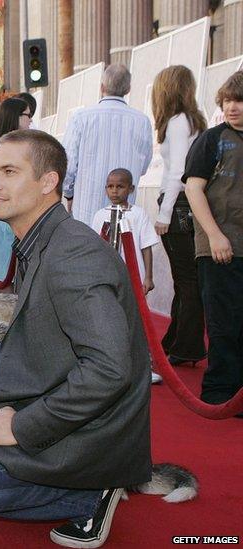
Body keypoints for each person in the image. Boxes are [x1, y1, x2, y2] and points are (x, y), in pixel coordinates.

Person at [0, 130, 152, 549]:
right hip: (57, 388)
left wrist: (22, 425)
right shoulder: (41, 240)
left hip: (91, 432)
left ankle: (85, 491)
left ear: (48, 182)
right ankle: (5, 454)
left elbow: (110, 370)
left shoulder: (73, 255)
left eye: (10, 172)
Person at [182, 70, 243, 406]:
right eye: (227, 100)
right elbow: (193, 188)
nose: (232, 107)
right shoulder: (211, 139)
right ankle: (222, 393)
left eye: (239, 100)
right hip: (219, 247)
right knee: (224, 323)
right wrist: (215, 235)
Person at [151, 65, 208, 366]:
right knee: (188, 279)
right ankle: (177, 342)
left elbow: (177, 172)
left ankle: (185, 346)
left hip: (178, 206)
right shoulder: (196, 120)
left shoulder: (176, 122)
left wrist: (163, 213)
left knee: (186, 280)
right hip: (190, 204)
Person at [63, 64, 153, 226]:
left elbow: (68, 164)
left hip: (86, 208)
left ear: (102, 87)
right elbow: (144, 167)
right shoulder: (142, 121)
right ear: (128, 89)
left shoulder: (82, 118)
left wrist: (69, 194)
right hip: (125, 211)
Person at [89, 168, 160, 296]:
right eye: (110, 186)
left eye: (120, 186)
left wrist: (148, 277)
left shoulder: (138, 214)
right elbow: (95, 247)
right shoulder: (100, 215)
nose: (114, 191)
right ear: (106, 189)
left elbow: (146, 247)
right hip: (105, 275)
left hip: (134, 274)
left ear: (131, 189)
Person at [0, 98, 32, 289]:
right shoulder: (8, 149)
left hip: (14, 214)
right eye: (27, 115)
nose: (30, 120)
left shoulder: (6, 145)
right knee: (6, 276)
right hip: (10, 215)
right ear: (16, 117)